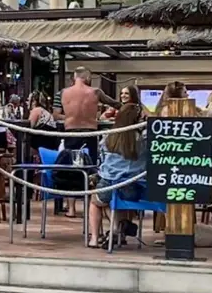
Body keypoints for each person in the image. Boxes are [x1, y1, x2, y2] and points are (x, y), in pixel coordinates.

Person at [86, 102, 148, 248]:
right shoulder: (144, 140)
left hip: (109, 183)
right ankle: (117, 230)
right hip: (133, 186)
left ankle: (95, 238)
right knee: (116, 200)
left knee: (96, 201)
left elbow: (103, 160)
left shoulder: (109, 138)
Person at [60, 67, 112, 162]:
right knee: (90, 162)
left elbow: (56, 113)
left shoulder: (64, 92)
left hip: (70, 131)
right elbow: (114, 103)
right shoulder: (95, 91)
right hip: (89, 131)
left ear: (74, 77)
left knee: (71, 162)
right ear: (88, 77)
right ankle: (88, 176)